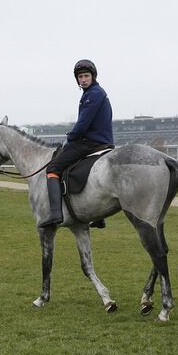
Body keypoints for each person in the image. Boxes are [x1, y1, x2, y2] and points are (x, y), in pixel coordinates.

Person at [43, 59, 114, 228]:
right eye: (80, 77)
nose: (83, 79)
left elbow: (83, 124)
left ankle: (55, 214)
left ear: (93, 77)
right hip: (101, 140)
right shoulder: (92, 93)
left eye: (86, 76)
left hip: (91, 141)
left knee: (52, 169)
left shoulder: (93, 94)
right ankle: (99, 216)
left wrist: (71, 136)